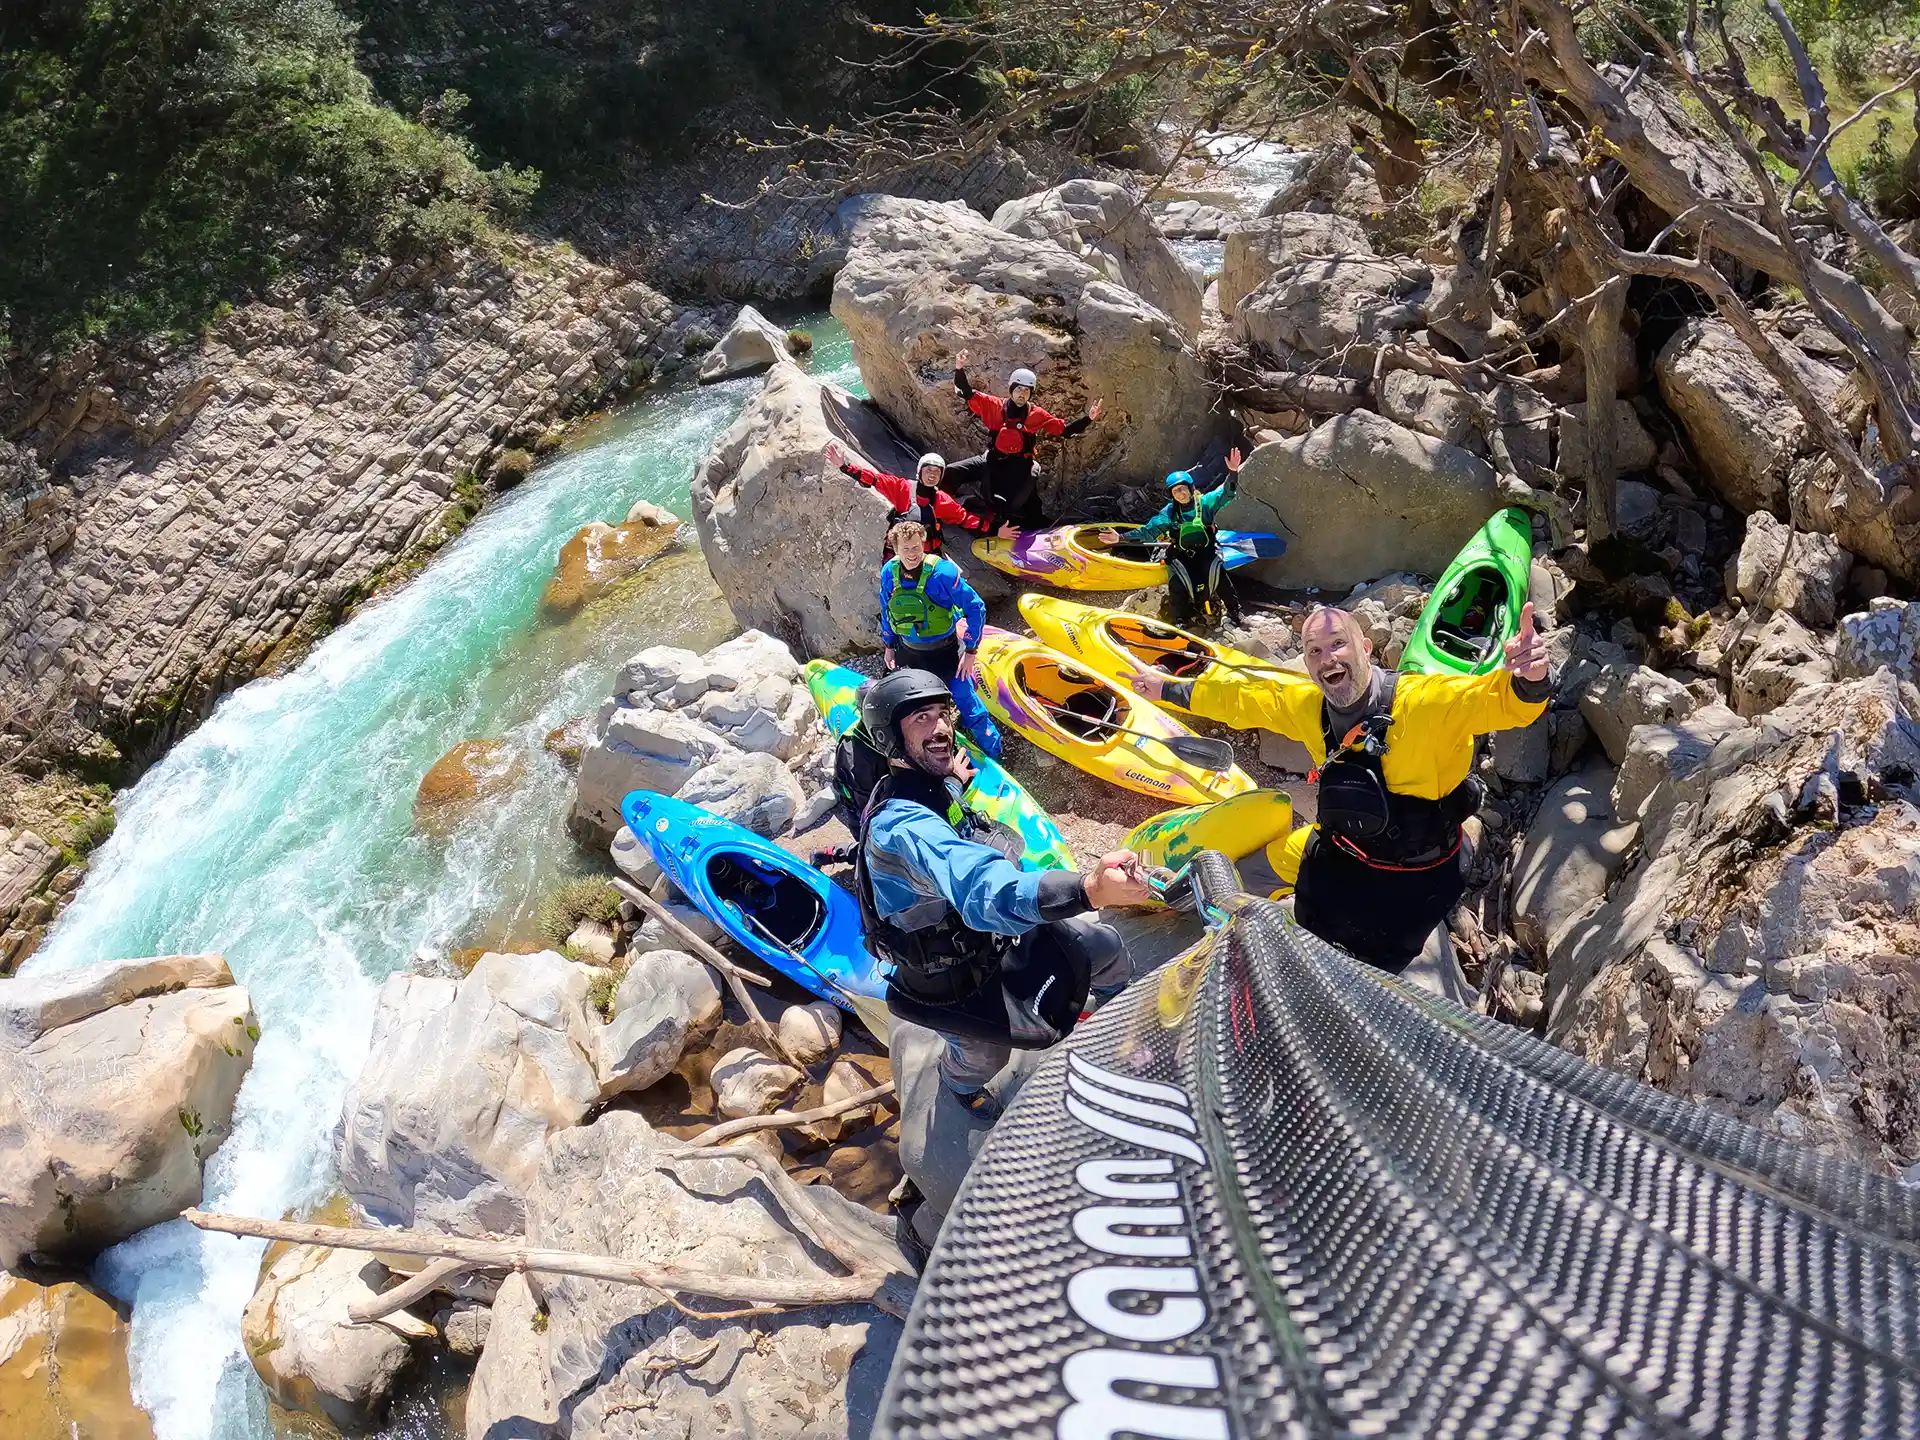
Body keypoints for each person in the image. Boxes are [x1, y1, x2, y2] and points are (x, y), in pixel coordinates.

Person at [1127, 602, 1551, 971]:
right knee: (1260, 882)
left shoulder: (1424, 704)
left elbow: (1492, 700)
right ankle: (1201, 907)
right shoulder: (1309, 705)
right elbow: (1243, 697)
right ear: (1308, 664)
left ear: (1366, 648)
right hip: (1338, 852)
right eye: (1314, 651)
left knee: (1372, 966)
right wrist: (1164, 687)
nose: (1327, 658)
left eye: (1338, 644)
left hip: (1413, 879)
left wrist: (1530, 676)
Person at [855, 669, 1153, 1112]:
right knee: (984, 1055)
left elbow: (942, 810)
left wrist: (954, 780)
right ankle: (958, 1087)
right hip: (944, 977)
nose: (940, 729)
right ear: (890, 739)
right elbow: (980, 887)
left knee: (1104, 946)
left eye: (942, 714)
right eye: (921, 718)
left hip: (989, 942)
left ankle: (1119, 1030)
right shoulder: (900, 827)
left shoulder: (925, 787)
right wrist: (1088, 889)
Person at [877, 520, 1003, 758]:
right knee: (919, 707)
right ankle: (929, 751)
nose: (912, 554)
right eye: (906, 549)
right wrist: (889, 645)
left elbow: (976, 607)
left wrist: (971, 651)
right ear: (896, 549)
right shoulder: (888, 573)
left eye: (916, 547)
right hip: (910, 653)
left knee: (966, 699)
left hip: (946, 653)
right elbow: (886, 610)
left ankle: (994, 752)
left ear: (923, 544)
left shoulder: (942, 573)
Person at [943, 350, 1104, 530]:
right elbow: (966, 392)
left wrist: (1088, 419)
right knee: (952, 471)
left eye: (1027, 391)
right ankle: (940, 504)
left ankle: (1034, 526)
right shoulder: (995, 405)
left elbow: (1064, 431)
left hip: (1020, 466)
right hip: (992, 460)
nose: (1022, 394)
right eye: (1018, 389)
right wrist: (959, 368)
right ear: (1011, 389)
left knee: (1021, 502)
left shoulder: (1036, 414)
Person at [1100, 448, 1247, 626]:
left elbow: (1227, 493)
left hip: (1206, 551)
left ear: (1191, 488)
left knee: (1219, 574)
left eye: (1183, 488)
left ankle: (1234, 611)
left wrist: (1233, 472)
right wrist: (1121, 538)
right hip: (1181, 554)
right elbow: (1148, 531)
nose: (1180, 493)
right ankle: (1179, 620)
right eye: (1176, 491)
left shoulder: (1206, 502)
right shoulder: (1169, 513)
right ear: (1172, 495)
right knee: (1177, 583)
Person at [823, 442, 1013, 559]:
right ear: (920, 472)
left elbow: (966, 519)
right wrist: (844, 467)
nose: (932, 475)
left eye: (937, 472)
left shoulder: (942, 500)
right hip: (900, 554)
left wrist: (997, 530)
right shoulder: (902, 487)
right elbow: (873, 479)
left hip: (928, 554)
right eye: (928, 470)